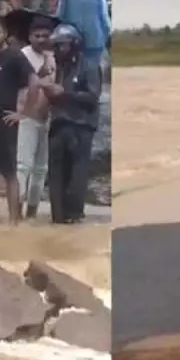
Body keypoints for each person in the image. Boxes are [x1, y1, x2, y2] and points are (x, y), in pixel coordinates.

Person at [0, 16, 39, 225]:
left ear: (5, 34)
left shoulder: (15, 56)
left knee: (10, 173)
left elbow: (33, 81)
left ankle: (13, 220)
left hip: (7, 123)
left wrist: (24, 112)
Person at [39, 24, 102, 224]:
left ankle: (74, 214)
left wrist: (64, 94)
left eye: (63, 46)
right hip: (58, 125)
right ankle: (57, 217)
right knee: (55, 175)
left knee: (78, 174)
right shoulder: (56, 67)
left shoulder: (89, 66)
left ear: (74, 45)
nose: (58, 50)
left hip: (81, 125)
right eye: (55, 46)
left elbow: (92, 97)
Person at [16, 17, 56, 218]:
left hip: (47, 118)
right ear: (30, 37)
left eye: (45, 36)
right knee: (23, 167)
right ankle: (16, 213)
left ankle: (32, 214)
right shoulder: (22, 56)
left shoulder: (56, 56)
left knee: (41, 169)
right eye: (37, 36)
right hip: (26, 116)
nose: (41, 39)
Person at [56, 0, 111, 66]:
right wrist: (106, 35)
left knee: (73, 68)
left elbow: (60, 15)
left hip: (73, 39)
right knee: (94, 70)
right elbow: (104, 16)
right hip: (95, 39)